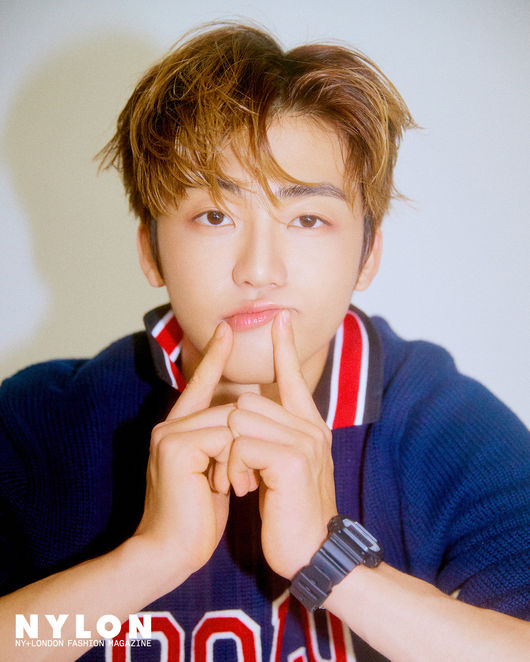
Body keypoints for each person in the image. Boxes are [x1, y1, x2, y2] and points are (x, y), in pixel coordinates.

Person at [0, 22, 529, 662]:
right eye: (214, 216)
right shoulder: (40, 422)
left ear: (367, 254)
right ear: (151, 251)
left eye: (307, 218)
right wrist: (148, 560)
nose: (259, 269)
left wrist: (333, 565)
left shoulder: (445, 427)